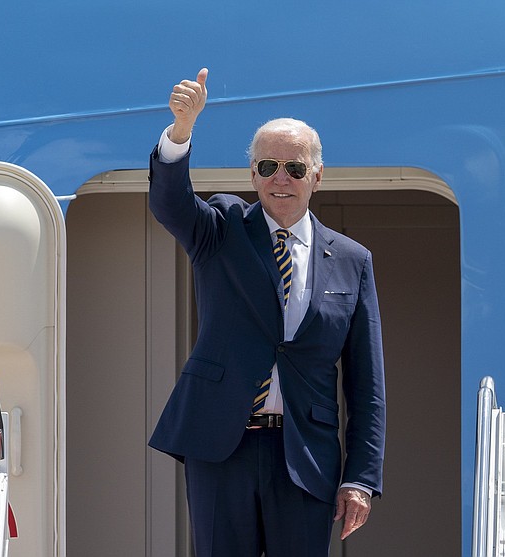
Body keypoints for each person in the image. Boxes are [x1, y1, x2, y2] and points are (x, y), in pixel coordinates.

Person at [147, 68, 386, 557]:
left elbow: (367, 384)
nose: (281, 178)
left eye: (295, 169)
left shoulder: (352, 260)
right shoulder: (221, 228)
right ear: (252, 174)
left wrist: (360, 477)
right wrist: (181, 131)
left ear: (317, 177)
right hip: (221, 444)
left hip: (305, 455)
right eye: (268, 166)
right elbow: (170, 202)